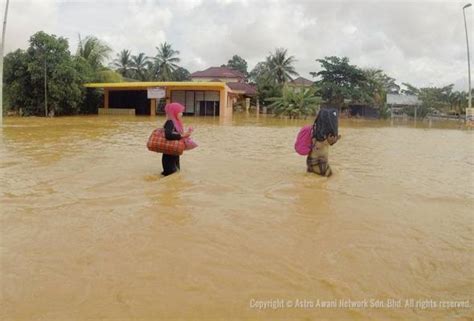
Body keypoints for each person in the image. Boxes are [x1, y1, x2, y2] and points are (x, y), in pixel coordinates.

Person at [307, 108, 341, 177]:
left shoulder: (316, 132)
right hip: (320, 161)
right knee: (330, 180)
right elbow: (331, 141)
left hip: (311, 160)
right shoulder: (328, 136)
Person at [162, 103, 192, 176]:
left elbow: (176, 135)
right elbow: (168, 135)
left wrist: (186, 134)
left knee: (176, 174)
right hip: (169, 154)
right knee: (170, 175)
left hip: (174, 153)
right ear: (174, 112)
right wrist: (182, 135)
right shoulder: (170, 122)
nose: (181, 114)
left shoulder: (176, 123)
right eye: (180, 112)